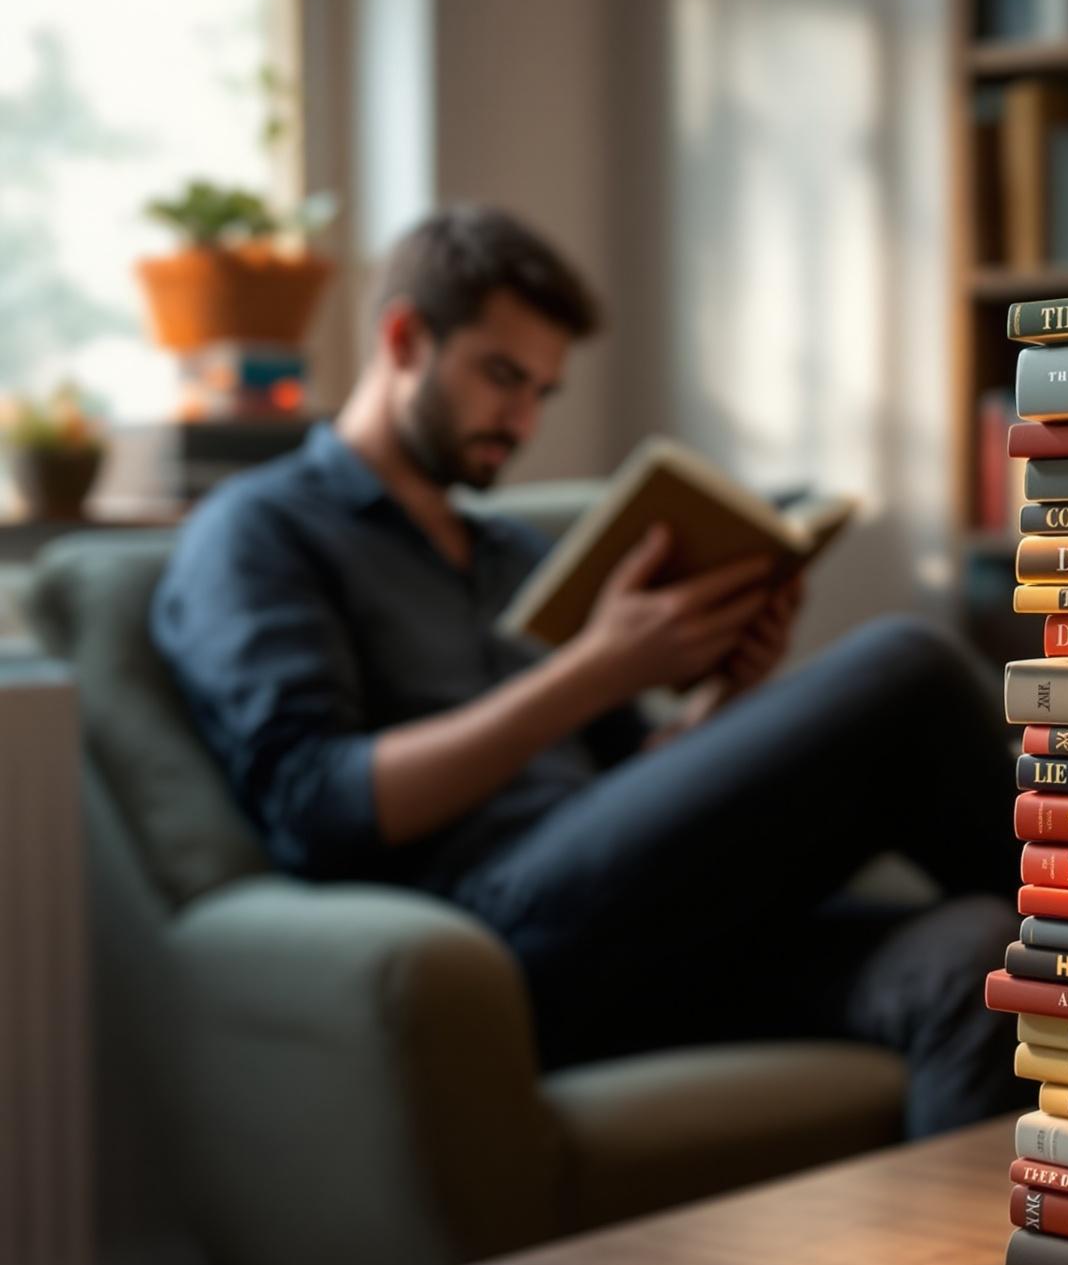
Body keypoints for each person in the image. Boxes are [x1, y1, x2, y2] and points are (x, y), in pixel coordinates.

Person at [151, 204, 1020, 1136]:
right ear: (404, 337)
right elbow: (313, 807)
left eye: (542, 392)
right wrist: (596, 670)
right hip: (495, 936)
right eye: (501, 377)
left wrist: (729, 689)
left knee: (983, 962)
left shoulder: (515, 554)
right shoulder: (261, 529)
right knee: (906, 667)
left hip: (633, 916)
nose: (520, 419)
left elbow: (631, 773)